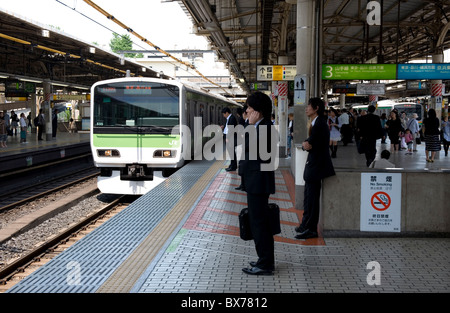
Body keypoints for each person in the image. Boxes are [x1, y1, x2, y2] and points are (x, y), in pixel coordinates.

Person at [240, 92, 276, 276]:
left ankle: (265, 264)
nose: (246, 111)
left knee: (259, 223)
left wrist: (250, 126)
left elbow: (251, 150)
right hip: (255, 181)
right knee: (258, 222)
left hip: (259, 182)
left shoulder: (265, 127)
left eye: (249, 108)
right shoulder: (260, 126)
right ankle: (264, 259)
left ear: (258, 111)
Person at [295, 98, 335, 240]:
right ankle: (306, 224)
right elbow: (308, 143)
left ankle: (312, 229)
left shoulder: (319, 124)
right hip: (313, 166)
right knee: (308, 198)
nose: (306, 108)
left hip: (317, 167)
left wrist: (307, 143)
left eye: (308, 106)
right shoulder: (315, 123)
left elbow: (311, 144)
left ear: (316, 108)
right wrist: (307, 143)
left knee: (312, 200)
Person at [236, 105, 248, 191]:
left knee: (243, 167)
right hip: (244, 148)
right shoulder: (246, 122)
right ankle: (243, 184)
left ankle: (244, 185)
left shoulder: (248, 123)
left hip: (246, 150)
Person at [221, 107, 238, 171]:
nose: (223, 115)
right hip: (228, 137)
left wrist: (228, 138)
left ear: (227, 113)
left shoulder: (232, 118)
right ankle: (232, 165)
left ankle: (233, 166)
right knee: (231, 152)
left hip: (230, 138)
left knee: (232, 152)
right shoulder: (229, 118)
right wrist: (224, 127)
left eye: (224, 114)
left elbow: (231, 130)